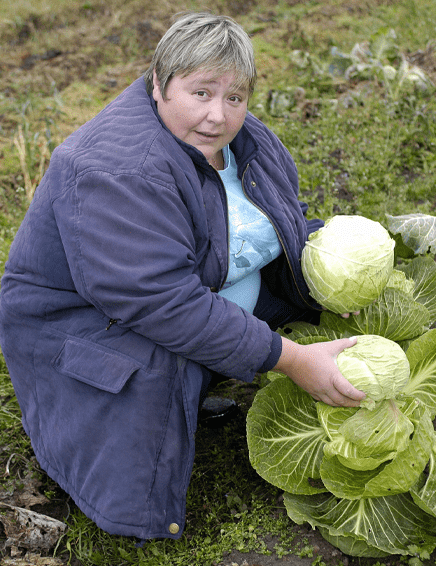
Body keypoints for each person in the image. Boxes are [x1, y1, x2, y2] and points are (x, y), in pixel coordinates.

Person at [0, 12, 366, 541]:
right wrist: (291, 359)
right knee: (152, 381)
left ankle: (193, 389)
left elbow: (282, 218)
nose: (218, 115)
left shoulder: (245, 141)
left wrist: (339, 262)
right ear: (158, 83)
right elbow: (160, 302)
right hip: (84, 330)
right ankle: (127, 471)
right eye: (200, 92)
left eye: (234, 96)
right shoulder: (116, 169)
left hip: (182, 299)